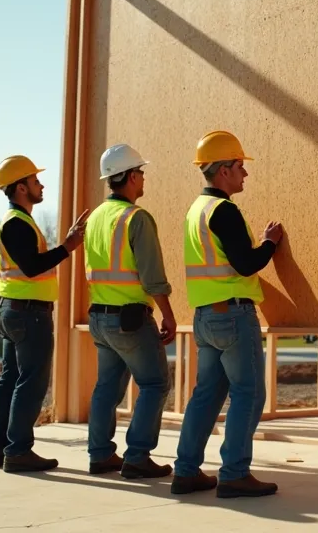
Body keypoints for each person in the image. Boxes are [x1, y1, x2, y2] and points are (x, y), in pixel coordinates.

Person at [172, 130, 284, 499]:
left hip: (205, 318)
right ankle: (234, 473)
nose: (244, 174)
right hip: (233, 318)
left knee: (205, 395)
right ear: (222, 171)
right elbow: (246, 263)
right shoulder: (224, 211)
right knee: (248, 394)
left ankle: (186, 471)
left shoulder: (195, 211)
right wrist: (270, 243)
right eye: (239, 166)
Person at [0, 154, 88, 473]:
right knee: (30, 381)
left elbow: (27, 264)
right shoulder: (17, 224)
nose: (40, 185)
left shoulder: (20, 221)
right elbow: (31, 267)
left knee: (11, 379)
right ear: (21, 188)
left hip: (15, 310)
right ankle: (17, 451)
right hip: (28, 314)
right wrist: (68, 247)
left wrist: (63, 245)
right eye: (35, 181)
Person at [83, 143, 178, 479]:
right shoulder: (136, 218)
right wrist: (167, 313)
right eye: (140, 172)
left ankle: (99, 455)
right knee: (155, 383)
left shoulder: (95, 217)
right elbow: (152, 276)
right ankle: (137, 457)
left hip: (98, 318)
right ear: (126, 177)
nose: (143, 177)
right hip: (130, 319)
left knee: (106, 388)